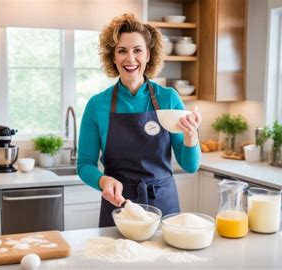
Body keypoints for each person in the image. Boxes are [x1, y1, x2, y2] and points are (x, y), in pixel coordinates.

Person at [77, 13, 201, 227]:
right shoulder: (98, 105)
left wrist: (191, 135)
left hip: (164, 205)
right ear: (113, 56)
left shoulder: (168, 98)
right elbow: (84, 165)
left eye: (137, 50)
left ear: (148, 55)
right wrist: (103, 181)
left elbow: (190, 166)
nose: (130, 59)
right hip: (119, 206)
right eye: (122, 51)